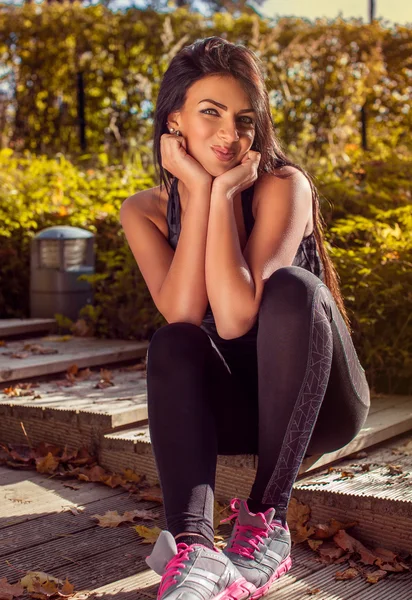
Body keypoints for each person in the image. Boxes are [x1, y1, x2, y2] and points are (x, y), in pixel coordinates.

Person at [120, 36, 371, 600]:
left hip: (318, 404)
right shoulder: (143, 210)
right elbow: (184, 314)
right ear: (174, 120)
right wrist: (198, 189)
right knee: (174, 343)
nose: (230, 135)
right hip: (240, 413)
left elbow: (235, 318)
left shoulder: (285, 185)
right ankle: (196, 549)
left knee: (292, 288)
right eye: (210, 113)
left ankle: (265, 523)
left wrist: (226, 196)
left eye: (244, 119)